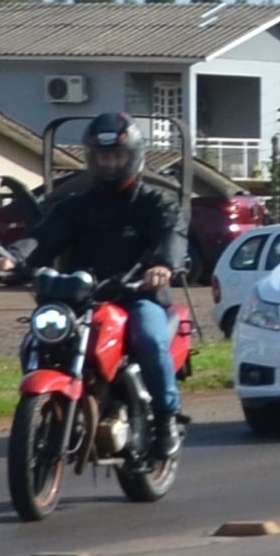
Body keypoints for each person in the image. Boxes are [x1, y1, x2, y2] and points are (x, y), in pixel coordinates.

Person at [26, 117, 190, 424]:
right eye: (103, 157)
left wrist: (162, 265)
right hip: (84, 299)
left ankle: (168, 415)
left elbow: (172, 234)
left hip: (139, 295)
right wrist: (12, 258)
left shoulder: (156, 202)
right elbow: (42, 238)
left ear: (133, 156)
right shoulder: (74, 206)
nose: (110, 163)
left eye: (117, 156)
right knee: (39, 336)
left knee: (150, 337)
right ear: (92, 159)